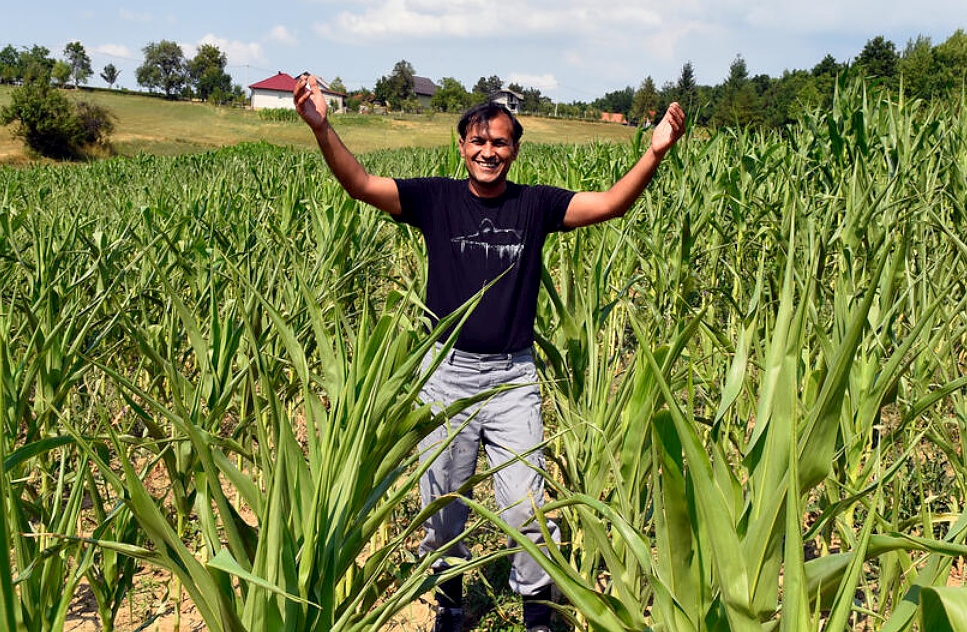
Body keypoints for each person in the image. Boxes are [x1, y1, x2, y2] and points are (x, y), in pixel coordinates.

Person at [293, 73, 685, 632]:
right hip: (445, 377)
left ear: (515, 150)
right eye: (478, 142)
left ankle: (537, 615)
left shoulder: (535, 206)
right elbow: (360, 183)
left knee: (526, 506)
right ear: (462, 146)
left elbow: (611, 205)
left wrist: (654, 153)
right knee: (442, 504)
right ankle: (449, 606)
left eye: (500, 142)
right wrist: (321, 127)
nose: (488, 152)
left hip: (511, 379)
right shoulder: (434, 199)